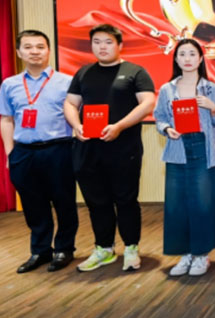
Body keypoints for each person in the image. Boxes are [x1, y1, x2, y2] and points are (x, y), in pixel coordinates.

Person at [64, 24, 156, 272]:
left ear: (119, 45)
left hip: (124, 148)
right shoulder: (83, 73)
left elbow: (147, 103)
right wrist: (76, 125)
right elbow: (71, 103)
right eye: (96, 42)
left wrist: (119, 126)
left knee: (126, 199)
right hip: (88, 149)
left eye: (107, 42)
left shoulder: (135, 72)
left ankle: (131, 248)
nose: (102, 47)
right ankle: (104, 248)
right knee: (96, 201)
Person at [0, 30, 78, 273]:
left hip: (59, 149)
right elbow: (6, 120)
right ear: (19, 52)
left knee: (64, 201)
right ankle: (40, 250)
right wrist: (10, 154)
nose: (34, 52)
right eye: (28, 47)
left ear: (48, 51)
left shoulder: (67, 82)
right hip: (24, 152)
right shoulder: (10, 84)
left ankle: (64, 249)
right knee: (33, 204)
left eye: (40, 47)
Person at [154, 39, 215, 277]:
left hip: (202, 149)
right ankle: (185, 254)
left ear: (200, 58)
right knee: (177, 205)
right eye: (182, 54)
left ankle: (202, 254)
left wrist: (212, 108)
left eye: (192, 54)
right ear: (176, 59)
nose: (187, 58)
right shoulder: (167, 89)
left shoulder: (210, 88)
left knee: (202, 204)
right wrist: (167, 129)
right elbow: (159, 118)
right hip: (177, 148)